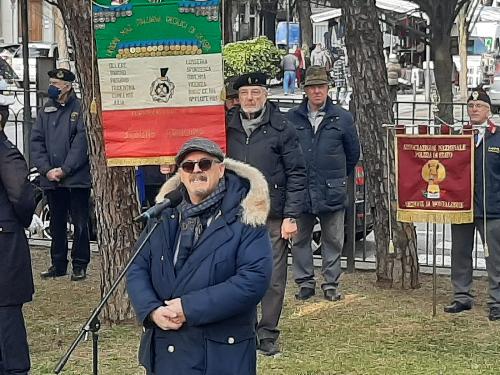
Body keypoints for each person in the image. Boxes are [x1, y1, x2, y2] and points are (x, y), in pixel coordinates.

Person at [127, 137, 273, 374]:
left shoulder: (247, 217)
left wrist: (189, 307)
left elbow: (253, 280)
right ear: (181, 175)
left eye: (204, 164)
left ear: (221, 169)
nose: (196, 170)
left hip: (219, 355)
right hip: (166, 351)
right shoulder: (163, 216)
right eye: (188, 166)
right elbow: (136, 268)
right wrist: (152, 310)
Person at [226, 72, 307, 355]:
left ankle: (268, 331)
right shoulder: (226, 126)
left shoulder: (282, 127)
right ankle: (243, 327)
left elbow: (297, 172)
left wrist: (291, 216)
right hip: (234, 213)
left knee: (272, 277)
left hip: (271, 215)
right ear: (237, 98)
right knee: (235, 273)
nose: (250, 98)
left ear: (266, 95)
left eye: (256, 92)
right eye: (245, 93)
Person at [286, 66, 360, 302]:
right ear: (305, 90)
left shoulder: (343, 117)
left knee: (334, 240)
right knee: (299, 239)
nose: (317, 91)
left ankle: (331, 284)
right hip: (301, 189)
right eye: (312, 87)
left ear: (328, 89)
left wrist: (337, 176)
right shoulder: (291, 118)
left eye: (321, 86)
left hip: (332, 189)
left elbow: (352, 153)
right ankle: (305, 282)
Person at [31, 68, 91, 281]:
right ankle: (58, 263)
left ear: (68, 86)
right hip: (51, 179)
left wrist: (65, 169)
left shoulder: (80, 109)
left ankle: (80, 264)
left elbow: (81, 144)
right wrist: (47, 170)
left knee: (80, 222)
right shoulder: (46, 109)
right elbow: (36, 142)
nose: (52, 87)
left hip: (75, 178)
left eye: (56, 84)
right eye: (52, 83)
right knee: (57, 222)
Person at [445, 89, 500, 321]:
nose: (474, 109)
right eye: (471, 105)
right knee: (460, 254)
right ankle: (461, 296)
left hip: (492, 207)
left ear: (489, 110)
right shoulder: (460, 136)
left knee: (495, 259)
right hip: (462, 206)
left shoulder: (497, 136)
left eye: (479, 105)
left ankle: (496, 301)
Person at [0, 105, 36, 374]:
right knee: (7, 323)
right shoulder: (6, 151)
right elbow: (22, 196)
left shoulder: (5, 151)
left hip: (4, 251)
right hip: (4, 249)